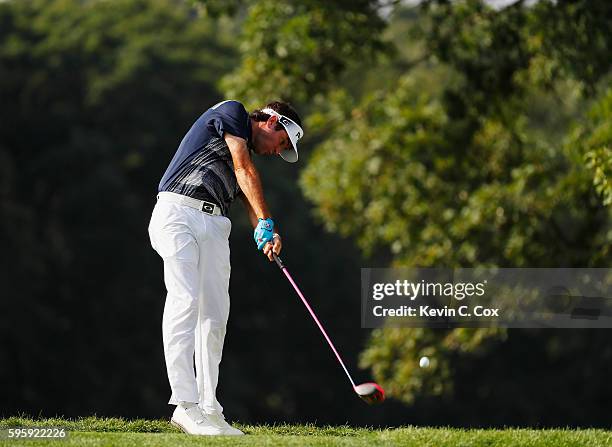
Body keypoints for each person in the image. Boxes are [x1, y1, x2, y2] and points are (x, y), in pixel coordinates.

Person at [148, 100, 303, 436]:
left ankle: (209, 409)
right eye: (283, 143)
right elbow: (244, 168)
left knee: (215, 315)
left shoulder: (243, 155)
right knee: (185, 300)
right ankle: (184, 405)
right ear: (272, 121)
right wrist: (266, 219)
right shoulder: (232, 112)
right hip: (178, 212)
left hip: (214, 223)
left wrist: (266, 232)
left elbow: (247, 193)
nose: (279, 152)